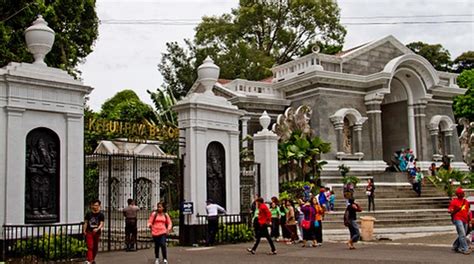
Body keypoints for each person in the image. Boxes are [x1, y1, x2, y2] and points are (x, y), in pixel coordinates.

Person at [448, 188, 471, 255]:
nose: (463, 194)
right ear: (458, 194)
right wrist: (450, 211)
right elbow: (450, 209)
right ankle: (465, 249)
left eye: (463, 193)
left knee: (463, 234)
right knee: (462, 234)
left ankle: (455, 246)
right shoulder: (454, 201)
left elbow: (468, 212)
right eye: (461, 193)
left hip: (465, 220)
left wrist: (469, 221)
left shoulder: (466, 202)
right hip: (457, 219)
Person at [83, 199, 105, 264]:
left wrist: (98, 228)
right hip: (89, 231)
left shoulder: (101, 215)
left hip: (97, 232)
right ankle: (90, 260)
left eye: (97, 205)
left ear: (99, 206)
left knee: (95, 246)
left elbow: (101, 223)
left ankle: (92, 259)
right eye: (94, 205)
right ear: (92, 206)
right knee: (90, 246)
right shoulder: (88, 214)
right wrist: (84, 230)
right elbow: (86, 222)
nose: (96, 207)